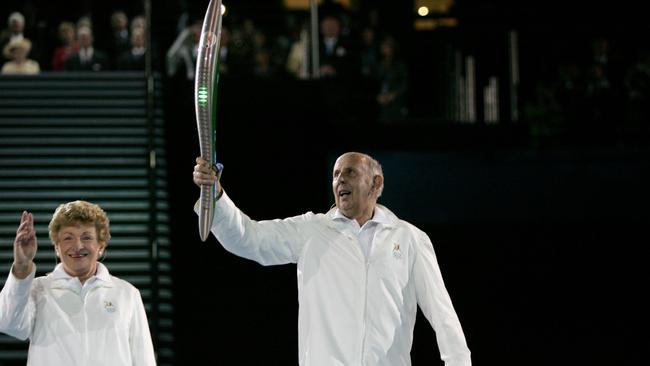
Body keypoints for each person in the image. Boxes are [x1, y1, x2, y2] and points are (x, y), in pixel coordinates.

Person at [192, 152, 471, 365]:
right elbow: (249, 239)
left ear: (376, 183)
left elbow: (442, 313)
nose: (340, 180)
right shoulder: (311, 231)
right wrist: (216, 196)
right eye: (335, 174)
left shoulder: (410, 239)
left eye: (349, 172)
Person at [0, 201, 156, 365]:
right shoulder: (37, 289)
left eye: (86, 237)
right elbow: (7, 322)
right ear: (57, 247)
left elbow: (143, 358)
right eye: (68, 238)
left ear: (101, 245)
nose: (78, 246)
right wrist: (22, 265)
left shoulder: (127, 294)